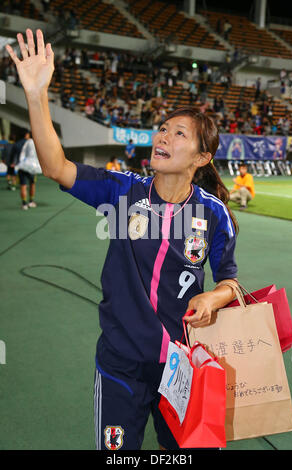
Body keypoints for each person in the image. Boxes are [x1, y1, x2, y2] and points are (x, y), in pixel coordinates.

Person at [6, 29, 239, 450]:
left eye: (179, 133)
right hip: (121, 364)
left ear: (203, 158)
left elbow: (230, 281)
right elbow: (56, 166)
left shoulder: (215, 213)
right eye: (163, 129)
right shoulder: (123, 190)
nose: (163, 136)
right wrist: (37, 95)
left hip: (182, 364)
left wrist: (214, 298)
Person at [17, 131, 39, 210]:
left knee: (23, 185)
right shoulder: (32, 143)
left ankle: (24, 204)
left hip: (21, 167)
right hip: (31, 167)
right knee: (32, 183)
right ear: (27, 135)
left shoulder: (17, 144)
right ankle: (31, 201)